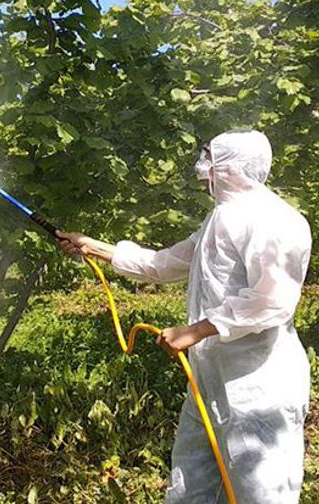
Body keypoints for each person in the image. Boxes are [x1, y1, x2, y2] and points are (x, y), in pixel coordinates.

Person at [57, 129, 313, 503]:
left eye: (209, 157)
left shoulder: (275, 220)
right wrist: (92, 246)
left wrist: (196, 330)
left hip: (258, 387)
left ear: (230, 166)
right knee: (189, 489)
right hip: (208, 383)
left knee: (260, 491)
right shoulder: (220, 219)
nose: (202, 166)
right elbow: (162, 264)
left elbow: (272, 301)